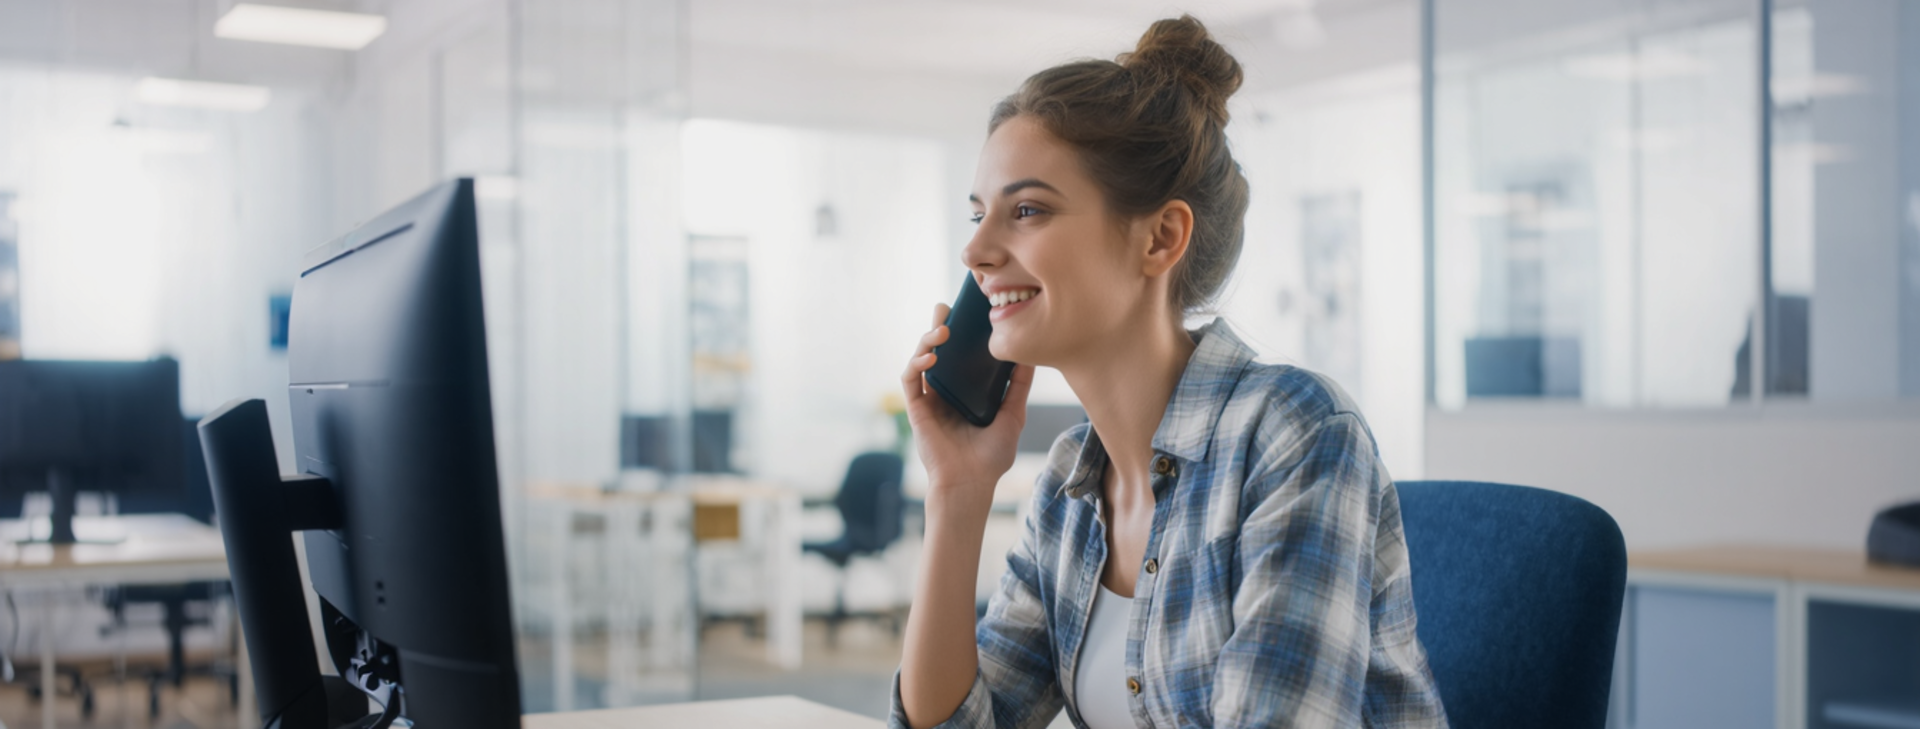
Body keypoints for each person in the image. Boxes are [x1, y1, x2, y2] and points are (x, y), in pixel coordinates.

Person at [891, 14, 1449, 729]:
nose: (975, 250)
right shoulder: (1070, 489)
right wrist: (956, 492)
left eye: (1025, 210)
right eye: (977, 215)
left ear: (1161, 238)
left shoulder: (1294, 436)